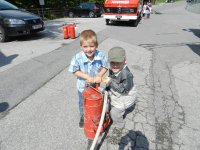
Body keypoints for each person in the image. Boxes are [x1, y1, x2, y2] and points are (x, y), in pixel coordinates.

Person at [68, 29, 108, 128]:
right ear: (81, 46)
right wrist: (87, 77)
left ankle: (96, 115)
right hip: (82, 87)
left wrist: (99, 75)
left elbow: (105, 66)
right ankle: (83, 116)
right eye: (85, 46)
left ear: (96, 45)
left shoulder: (101, 55)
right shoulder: (77, 58)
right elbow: (74, 71)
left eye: (91, 46)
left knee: (96, 101)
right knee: (82, 102)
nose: (89, 49)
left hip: (96, 87)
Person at [103, 47, 137, 143]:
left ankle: (119, 124)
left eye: (118, 63)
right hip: (117, 88)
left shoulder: (127, 74)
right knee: (107, 103)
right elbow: (111, 78)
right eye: (112, 62)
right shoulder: (113, 69)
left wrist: (111, 82)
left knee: (115, 112)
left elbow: (124, 90)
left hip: (127, 94)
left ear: (125, 61)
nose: (114, 65)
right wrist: (108, 88)